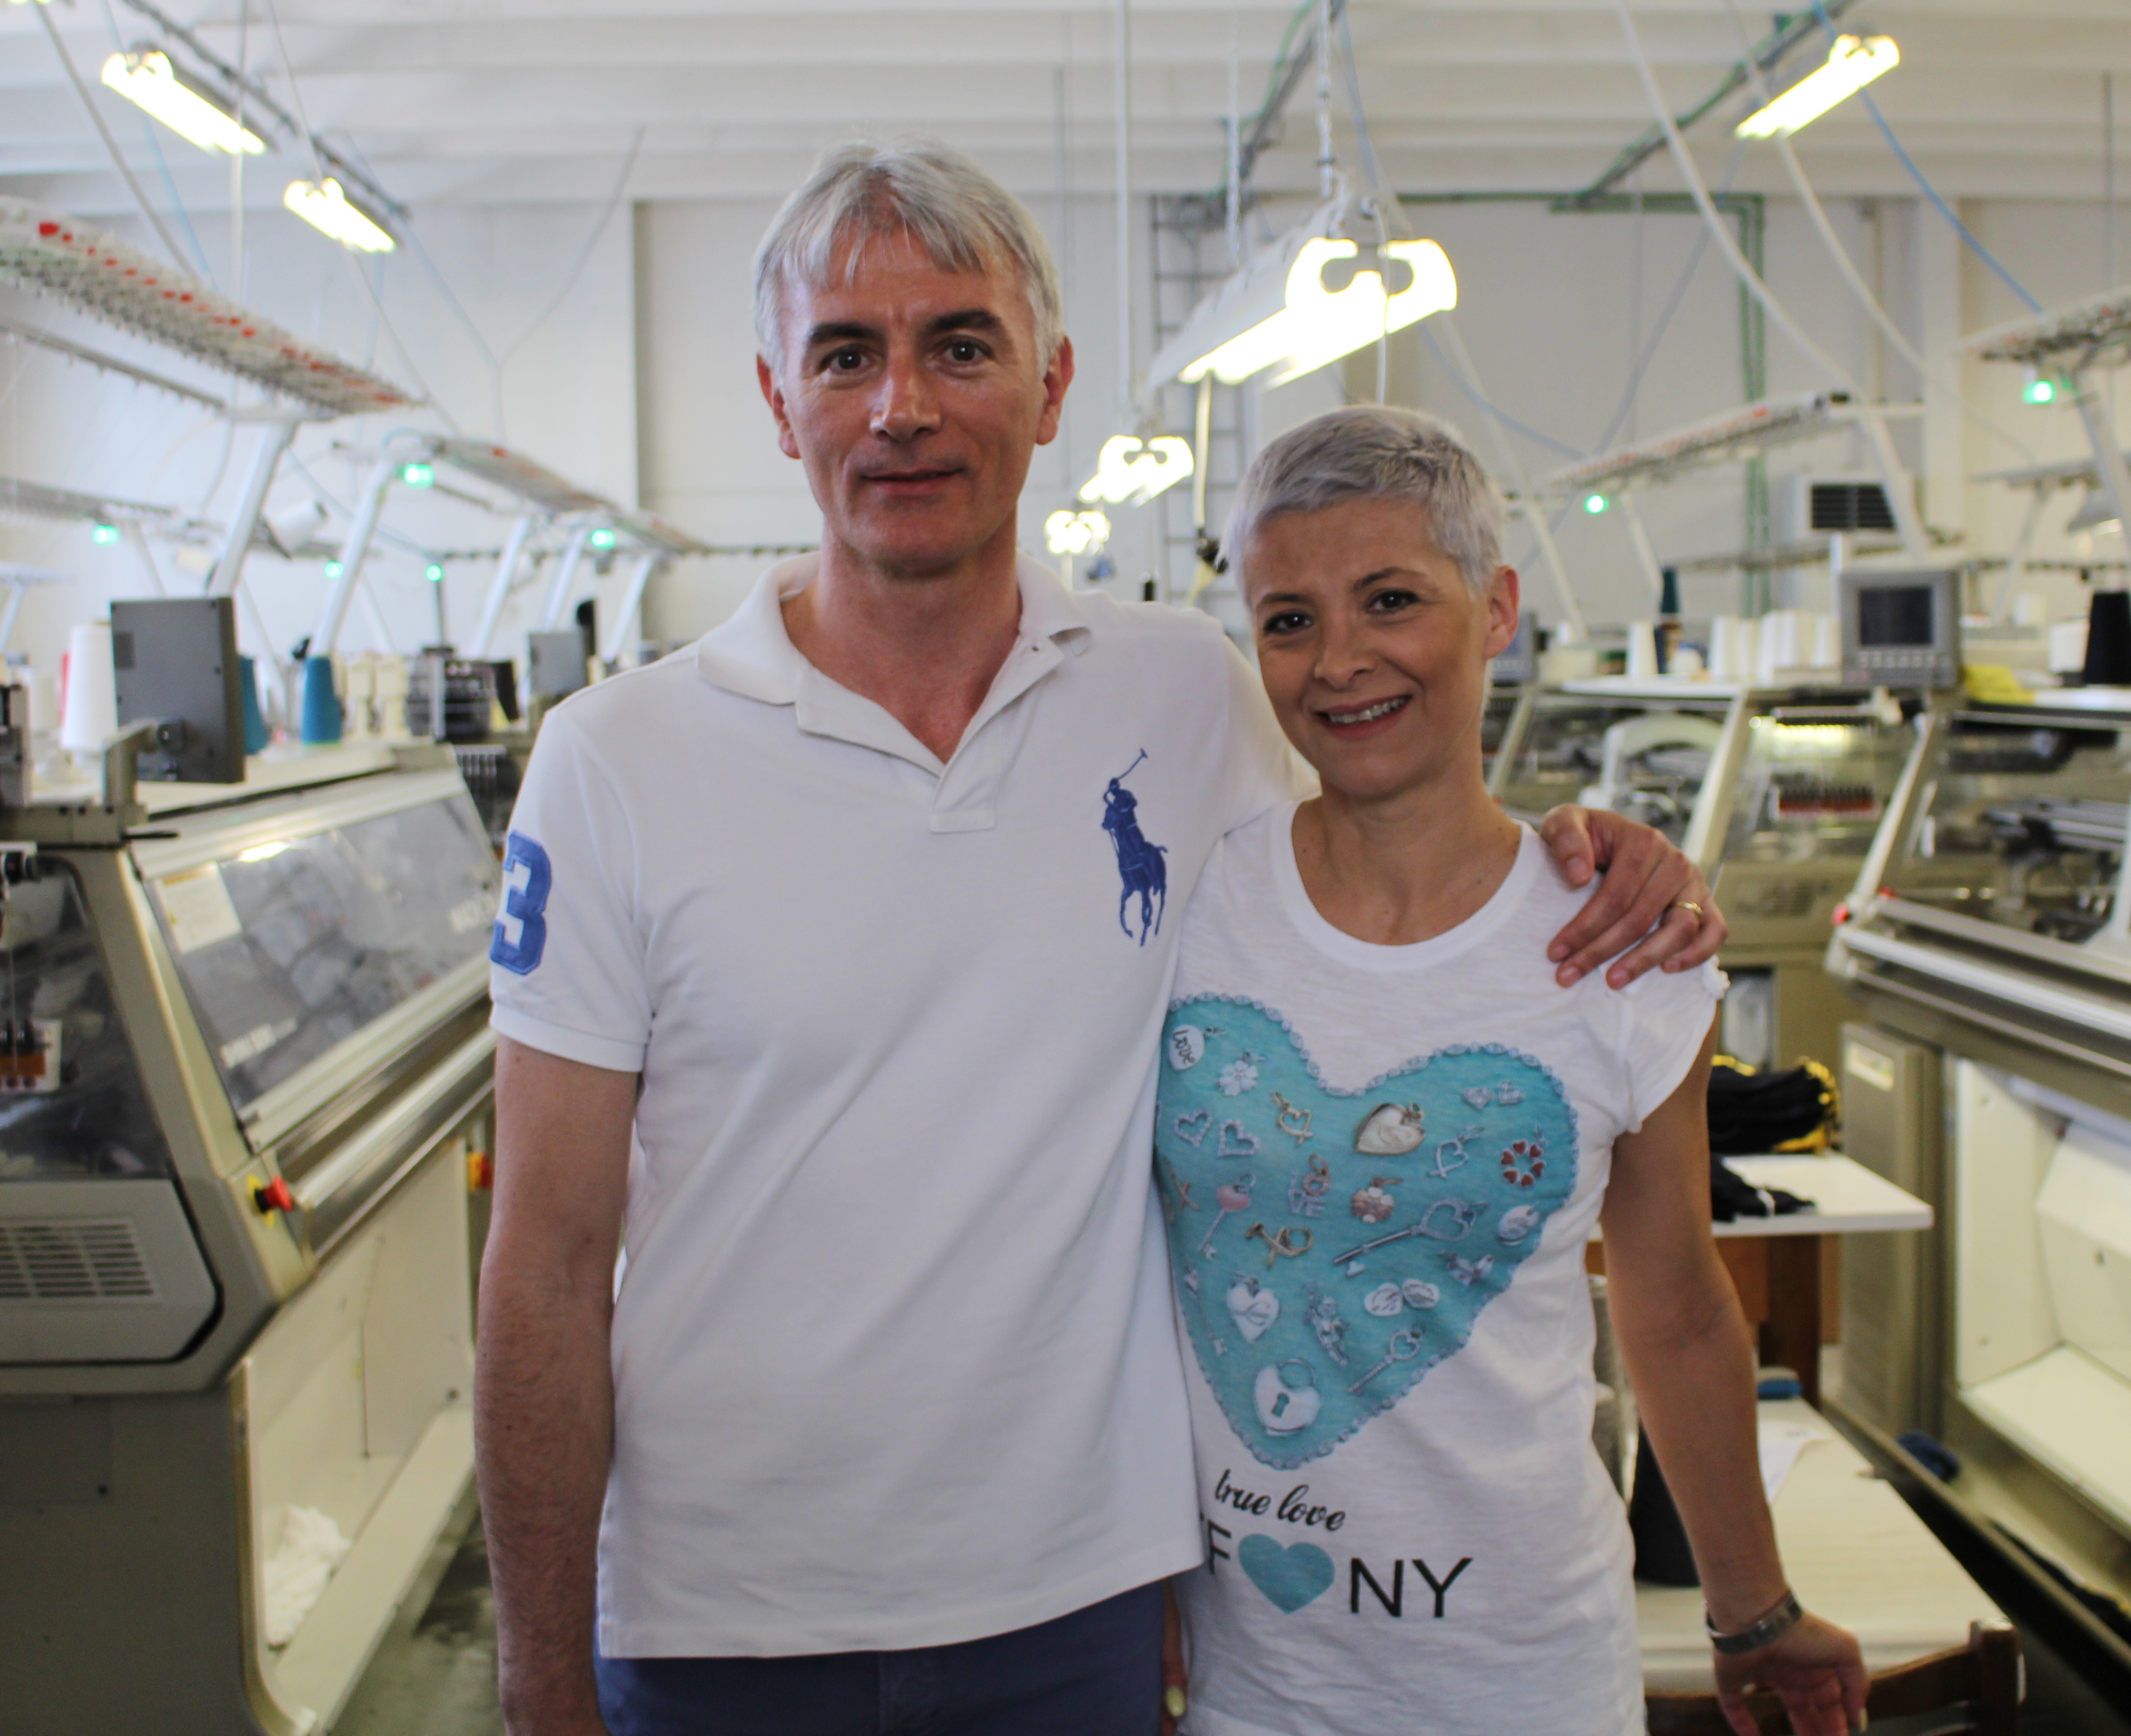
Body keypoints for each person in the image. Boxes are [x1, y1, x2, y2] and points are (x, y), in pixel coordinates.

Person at [474, 138, 1730, 1736]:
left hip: (1075, 1602)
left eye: (961, 345)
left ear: (1051, 385)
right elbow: (546, 1262)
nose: (903, 406)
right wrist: (536, 1681)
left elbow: (1383, 838)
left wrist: (1606, 858)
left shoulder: (1180, 696)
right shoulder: (618, 761)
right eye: (847, 354)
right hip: (722, 1617)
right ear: (780, 403)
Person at [1154, 406, 1866, 1736]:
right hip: (1252, 1683)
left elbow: (1677, 1309)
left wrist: (1753, 1612)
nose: (1341, 661)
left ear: (1495, 610)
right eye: (1289, 618)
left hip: (1524, 1672)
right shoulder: (1194, 914)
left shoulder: (1620, 947)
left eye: (1391, 601)